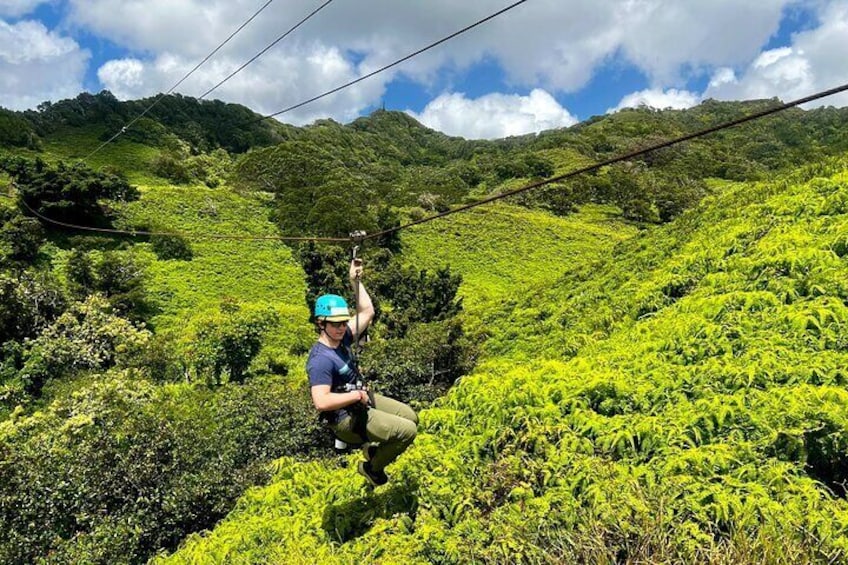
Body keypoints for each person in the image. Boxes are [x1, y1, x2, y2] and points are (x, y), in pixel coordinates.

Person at [306, 258, 418, 486]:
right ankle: (371, 467)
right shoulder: (320, 360)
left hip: (361, 402)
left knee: (411, 417)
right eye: (335, 324)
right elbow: (321, 401)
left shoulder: (343, 335)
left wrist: (355, 282)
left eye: (343, 323)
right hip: (346, 419)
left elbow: (368, 311)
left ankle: (375, 452)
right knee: (407, 432)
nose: (340, 328)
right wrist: (356, 396)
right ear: (321, 323)